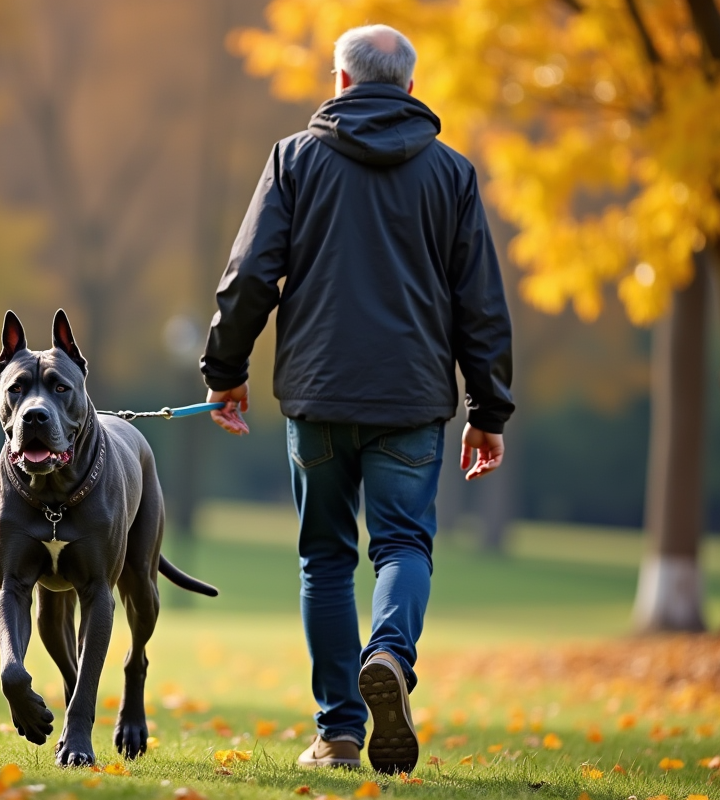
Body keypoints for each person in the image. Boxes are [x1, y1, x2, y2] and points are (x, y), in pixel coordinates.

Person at [199, 24, 513, 775]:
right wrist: (488, 411)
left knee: (326, 561)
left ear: (339, 83)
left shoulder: (294, 160)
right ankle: (392, 660)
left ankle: (339, 734)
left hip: (317, 394)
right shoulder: (453, 174)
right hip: (411, 400)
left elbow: (249, 278)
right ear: (408, 87)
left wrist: (224, 370)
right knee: (404, 545)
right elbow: (481, 305)